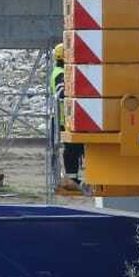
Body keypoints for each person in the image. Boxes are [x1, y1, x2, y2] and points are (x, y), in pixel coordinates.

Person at [50, 42, 83, 191]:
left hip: (65, 119)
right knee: (72, 150)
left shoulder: (59, 71)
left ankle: (72, 179)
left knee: (74, 149)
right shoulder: (61, 73)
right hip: (65, 120)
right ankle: (72, 180)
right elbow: (61, 93)